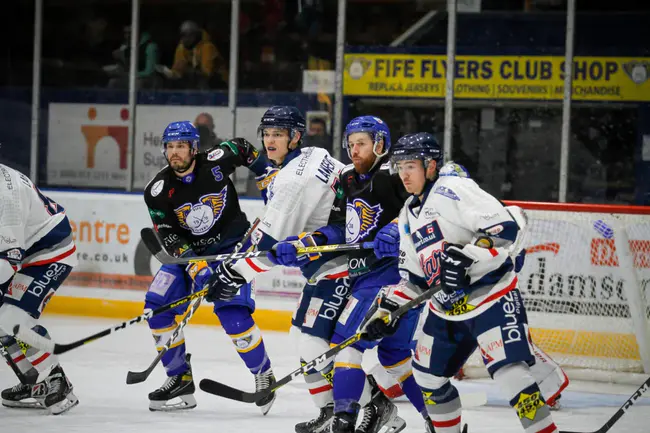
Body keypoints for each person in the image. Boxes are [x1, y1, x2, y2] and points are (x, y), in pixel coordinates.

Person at [362, 132, 566, 433]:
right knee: (427, 376)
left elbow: (504, 227)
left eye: (411, 166)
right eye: (400, 166)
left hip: (491, 300)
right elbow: (416, 281)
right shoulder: (407, 214)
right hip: (446, 312)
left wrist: (466, 255)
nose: (403, 174)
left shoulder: (453, 189)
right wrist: (388, 312)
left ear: (430, 166)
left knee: (510, 373)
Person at [198, 106, 354, 433]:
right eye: (267, 134)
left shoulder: (292, 182)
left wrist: (232, 275)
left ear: (294, 137)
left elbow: (267, 248)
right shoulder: (314, 153)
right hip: (343, 249)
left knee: (316, 341)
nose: (270, 141)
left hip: (344, 262)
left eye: (278, 135)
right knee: (305, 337)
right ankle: (335, 408)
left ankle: (361, 403)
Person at [270, 116, 426, 433]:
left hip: (390, 278)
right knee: (395, 356)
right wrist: (307, 242)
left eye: (362, 144)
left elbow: (423, 207)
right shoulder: (348, 180)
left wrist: (398, 228)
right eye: (351, 144)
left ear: (380, 145)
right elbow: (343, 227)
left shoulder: (395, 175)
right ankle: (439, 419)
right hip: (366, 276)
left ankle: (343, 418)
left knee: (345, 343)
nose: (355, 150)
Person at [142, 120, 276, 413]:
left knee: (232, 312)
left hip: (232, 248)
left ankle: (263, 374)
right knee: (156, 307)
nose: (174, 153)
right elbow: (169, 235)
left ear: (193, 148)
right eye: (170, 147)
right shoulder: (157, 191)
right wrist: (197, 269)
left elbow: (243, 148)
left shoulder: (215, 161)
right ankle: (179, 378)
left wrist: (268, 175)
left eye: (180, 146)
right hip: (189, 256)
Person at [0, 164, 79, 415]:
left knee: (10, 317)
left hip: (49, 252)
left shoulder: (5, 194)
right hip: (21, 252)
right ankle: (35, 381)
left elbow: (8, 261)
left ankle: (57, 379)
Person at [158, 21, 227, 89]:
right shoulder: (181, 47)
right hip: (197, 82)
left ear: (196, 35)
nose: (185, 39)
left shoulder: (207, 47)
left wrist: (187, 69)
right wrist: (170, 73)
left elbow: (207, 74)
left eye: (189, 36)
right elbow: (178, 69)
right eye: (183, 35)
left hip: (219, 83)